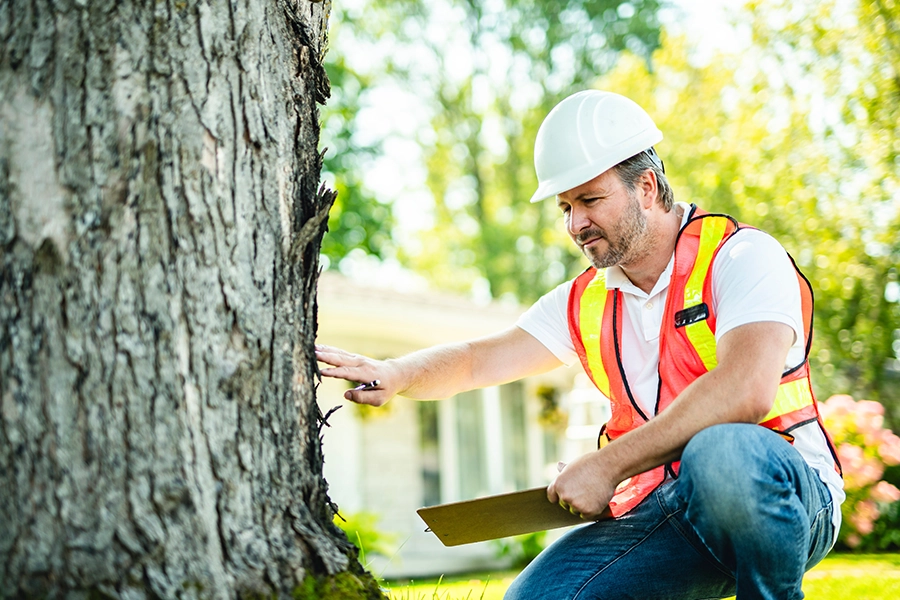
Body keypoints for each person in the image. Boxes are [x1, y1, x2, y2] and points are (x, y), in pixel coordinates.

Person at [316, 90, 844, 599]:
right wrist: (398, 374)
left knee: (722, 451)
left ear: (648, 187)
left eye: (590, 200)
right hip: (670, 509)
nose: (576, 224)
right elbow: (479, 360)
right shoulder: (585, 302)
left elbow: (745, 391)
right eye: (565, 207)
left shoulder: (740, 257)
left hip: (788, 498)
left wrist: (607, 465)